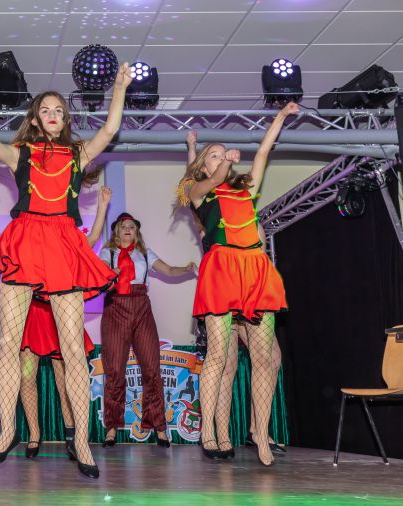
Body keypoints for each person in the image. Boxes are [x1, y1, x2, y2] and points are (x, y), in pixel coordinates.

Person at [0, 62, 131, 479]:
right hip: (26, 240)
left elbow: (109, 129)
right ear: (34, 118)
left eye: (59, 111)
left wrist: (120, 87)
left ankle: (81, 440)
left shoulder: (78, 154)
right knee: (9, 343)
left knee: (73, 350)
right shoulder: (22, 153)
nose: (53, 115)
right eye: (45, 110)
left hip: (63, 244)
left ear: (65, 120)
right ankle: (7, 432)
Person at [176, 102, 297, 466]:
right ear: (204, 166)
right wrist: (203, 154)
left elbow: (262, 153)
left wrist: (281, 117)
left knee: (265, 358)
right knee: (219, 357)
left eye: (223, 153)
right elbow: (212, 179)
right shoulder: (199, 191)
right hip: (222, 270)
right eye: (213, 155)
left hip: (254, 269)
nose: (222, 157)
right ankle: (210, 433)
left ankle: (260, 431)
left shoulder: (245, 190)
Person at [19, 186, 110, 461]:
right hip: (33, 313)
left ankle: (72, 435)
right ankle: (34, 435)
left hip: (59, 314)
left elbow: (92, 238)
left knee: (64, 375)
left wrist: (103, 206)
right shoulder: (30, 239)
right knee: (26, 375)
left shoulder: (67, 240)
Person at [99, 212, 196, 448]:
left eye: (132, 226)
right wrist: (111, 274)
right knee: (115, 371)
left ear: (136, 232)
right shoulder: (107, 252)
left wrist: (185, 268)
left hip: (141, 308)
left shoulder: (144, 253)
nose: (128, 229)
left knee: (152, 369)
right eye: (124, 226)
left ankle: (159, 427)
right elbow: (100, 275)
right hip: (115, 307)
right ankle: (112, 428)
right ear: (117, 230)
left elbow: (168, 270)